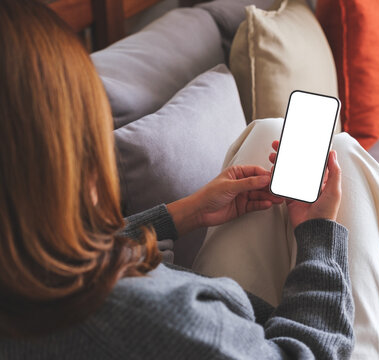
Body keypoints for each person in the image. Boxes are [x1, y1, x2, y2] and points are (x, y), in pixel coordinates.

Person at [0, 0, 355, 358]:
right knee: (349, 162)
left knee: (271, 135)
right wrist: (321, 235)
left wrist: (185, 214)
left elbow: (51, 255)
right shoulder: (160, 317)